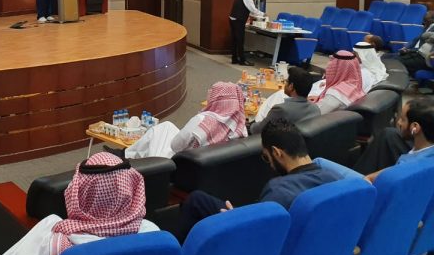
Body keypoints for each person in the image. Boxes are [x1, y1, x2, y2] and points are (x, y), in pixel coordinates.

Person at [0, 152, 159, 255]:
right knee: (52, 221)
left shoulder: (60, 247)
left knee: (50, 223)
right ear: (129, 189)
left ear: (81, 192)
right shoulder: (153, 233)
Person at [172, 118, 344, 243]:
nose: (269, 164)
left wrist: (235, 219)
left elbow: (256, 236)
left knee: (196, 200)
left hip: (265, 243)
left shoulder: (279, 191)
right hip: (308, 240)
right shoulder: (335, 178)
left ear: (277, 153)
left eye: (266, 157)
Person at [124, 82, 247, 159]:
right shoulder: (239, 125)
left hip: (181, 162)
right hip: (208, 161)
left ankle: (128, 155)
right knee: (167, 126)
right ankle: (131, 154)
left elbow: (175, 146)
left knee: (158, 132)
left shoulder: (202, 120)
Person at [347, 97, 434, 177]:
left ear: (415, 127)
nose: (398, 123)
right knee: (389, 134)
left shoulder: (405, 168)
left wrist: (369, 178)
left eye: (403, 119)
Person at [250, 67, 320, 134]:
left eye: (286, 81)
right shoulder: (315, 109)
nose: (285, 84)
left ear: (291, 86)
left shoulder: (281, 109)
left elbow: (259, 129)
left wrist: (249, 126)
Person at [312, 50, 365, 114]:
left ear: (338, 68)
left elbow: (314, 113)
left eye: (333, 62)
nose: (329, 65)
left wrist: (307, 103)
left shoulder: (335, 94)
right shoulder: (354, 86)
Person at [229, 0, 264, 66]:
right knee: (240, 40)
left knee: (234, 40)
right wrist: (263, 14)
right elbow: (253, 9)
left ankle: (234, 58)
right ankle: (242, 60)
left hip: (233, 19)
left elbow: (244, 8)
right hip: (238, 20)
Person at [397, 11, 434, 76]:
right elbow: (417, 38)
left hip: (426, 59)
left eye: (426, 20)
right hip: (419, 54)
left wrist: (429, 36)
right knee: (394, 58)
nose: (423, 23)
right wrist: (406, 48)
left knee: (397, 62)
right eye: (424, 20)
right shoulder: (429, 27)